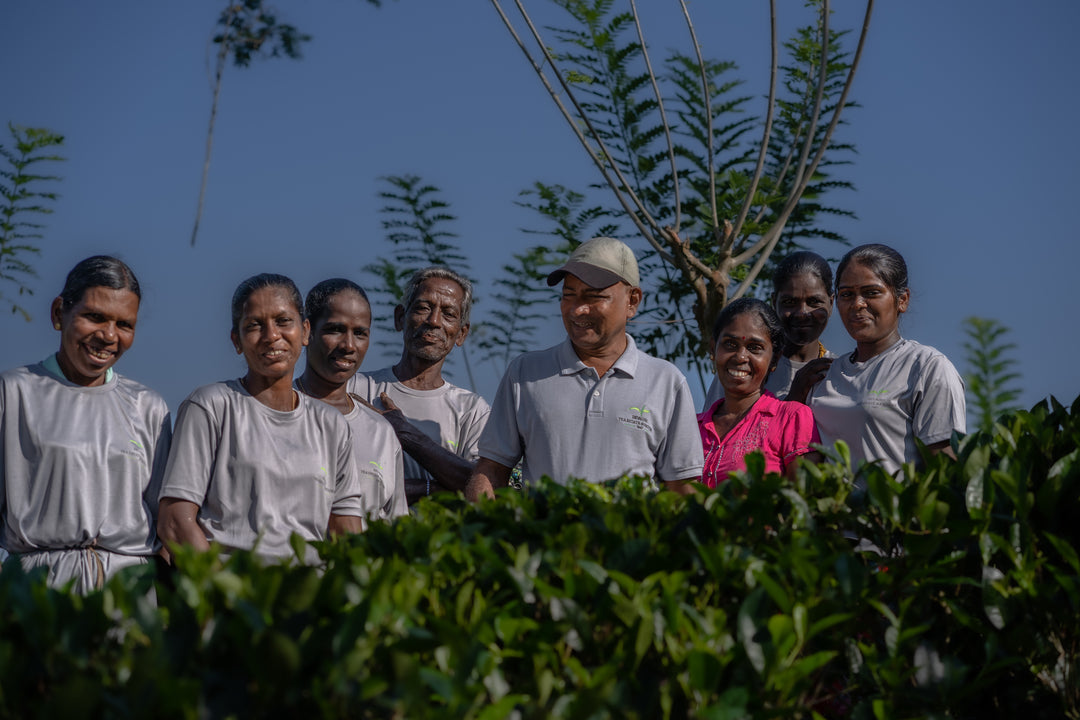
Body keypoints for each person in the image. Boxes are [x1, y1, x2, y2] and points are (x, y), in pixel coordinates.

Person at [465, 236, 704, 499]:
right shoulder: (524, 373)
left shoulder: (666, 382)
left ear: (632, 301)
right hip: (544, 540)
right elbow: (491, 471)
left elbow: (683, 490)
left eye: (594, 297)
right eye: (568, 296)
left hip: (634, 541)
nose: (577, 310)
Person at [158, 273, 364, 562]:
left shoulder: (331, 425)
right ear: (236, 340)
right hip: (232, 593)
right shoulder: (211, 406)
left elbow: (346, 530)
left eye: (283, 321)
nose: (271, 336)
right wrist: (226, 595)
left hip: (310, 597)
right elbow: (175, 521)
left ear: (305, 332)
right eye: (254, 325)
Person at [0, 256, 171, 593]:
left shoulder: (147, 406)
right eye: (94, 317)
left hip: (130, 591)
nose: (108, 335)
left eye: (124, 324)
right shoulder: (14, 392)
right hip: (38, 588)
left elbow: (166, 521)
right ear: (58, 313)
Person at [808, 244, 966, 475]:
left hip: (894, 510)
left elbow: (946, 469)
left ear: (902, 300)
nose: (857, 304)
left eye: (871, 292)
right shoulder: (824, 374)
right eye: (846, 294)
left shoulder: (926, 367)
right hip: (829, 510)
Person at [350, 267, 490, 505]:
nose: (433, 321)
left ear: (461, 334)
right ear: (400, 318)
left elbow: (482, 491)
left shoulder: (472, 411)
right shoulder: (354, 388)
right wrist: (431, 488)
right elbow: (333, 478)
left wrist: (404, 433)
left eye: (448, 314)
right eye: (423, 307)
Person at [296, 279, 407, 522]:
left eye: (359, 333)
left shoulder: (381, 433)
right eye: (335, 329)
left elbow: (396, 524)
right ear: (306, 331)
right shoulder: (272, 412)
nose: (348, 345)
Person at [698, 298, 820, 487]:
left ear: (774, 360)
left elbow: (802, 504)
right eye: (730, 344)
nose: (740, 357)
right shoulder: (690, 427)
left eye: (755, 348)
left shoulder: (791, 419)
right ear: (713, 348)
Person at [703, 251, 835, 407]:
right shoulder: (743, 365)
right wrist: (793, 399)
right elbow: (716, 426)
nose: (802, 313)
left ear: (831, 302)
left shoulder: (840, 371)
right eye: (789, 302)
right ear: (774, 302)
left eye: (814, 302)